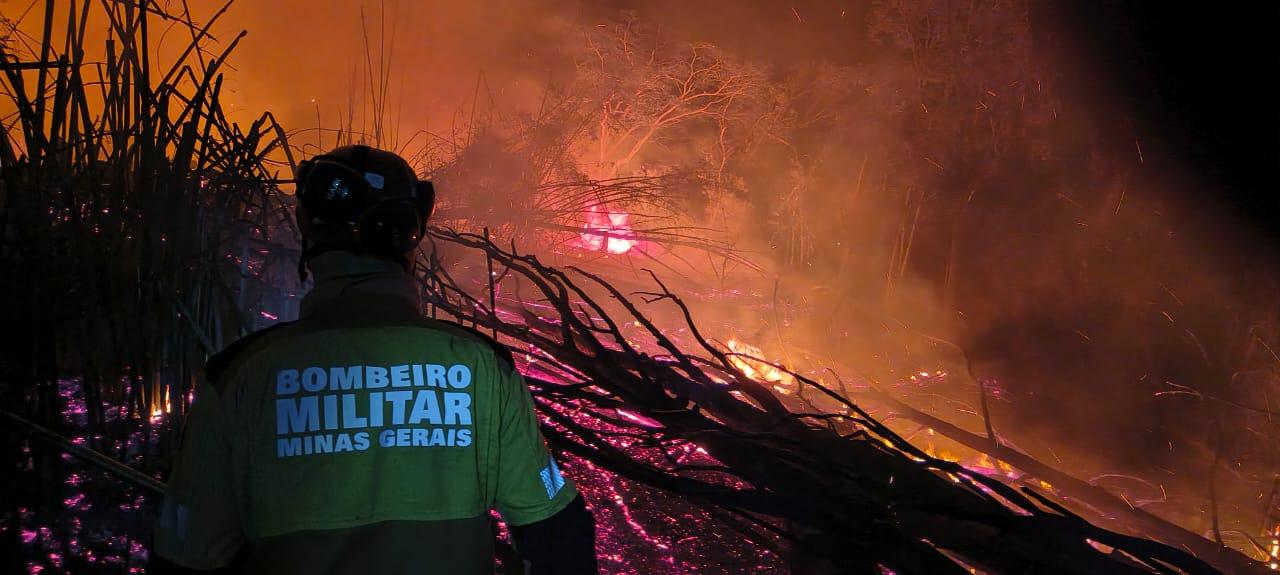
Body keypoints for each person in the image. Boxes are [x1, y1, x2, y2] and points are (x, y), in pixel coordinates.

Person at [151, 145, 598, 574]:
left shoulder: (239, 377)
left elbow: (188, 556)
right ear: (410, 237)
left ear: (308, 227)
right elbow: (556, 532)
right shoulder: (479, 366)